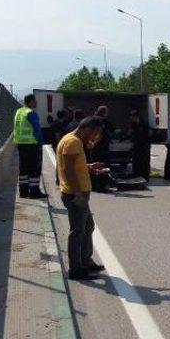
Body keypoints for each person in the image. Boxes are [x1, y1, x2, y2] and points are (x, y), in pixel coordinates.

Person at [57, 116, 106, 281]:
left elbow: (73, 165)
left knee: (87, 227)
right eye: (93, 133)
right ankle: (76, 270)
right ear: (86, 129)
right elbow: (67, 169)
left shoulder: (72, 140)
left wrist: (88, 167)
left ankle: (86, 262)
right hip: (75, 194)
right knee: (77, 232)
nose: (93, 137)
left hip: (78, 193)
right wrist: (78, 193)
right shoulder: (72, 142)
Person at [13, 94, 48, 199]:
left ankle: (23, 191)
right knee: (34, 168)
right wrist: (41, 143)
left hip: (20, 144)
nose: (36, 103)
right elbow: (37, 130)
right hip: (32, 144)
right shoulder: (31, 113)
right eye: (35, 101)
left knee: (23, 168)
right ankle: (34, 192)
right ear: (31, 102)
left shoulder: (19, 112)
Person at [128, 110, 152, 180]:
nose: (131, 119)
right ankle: (136, 175)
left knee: (145, 161)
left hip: (144, 145)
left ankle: (145, 176)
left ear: (136, 117)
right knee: (136, 161)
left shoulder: (144, 123)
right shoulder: (133, 124)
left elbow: (150, 133)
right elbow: (129, 132)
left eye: (132, 118)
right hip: (137, 145)